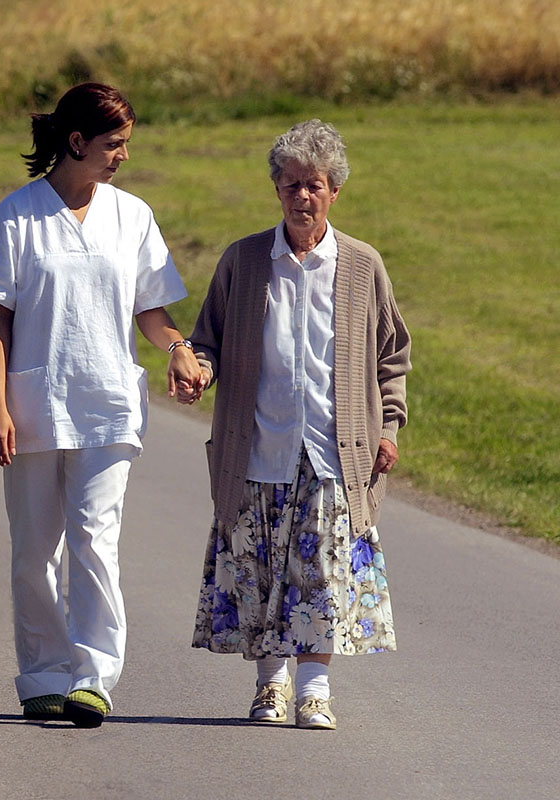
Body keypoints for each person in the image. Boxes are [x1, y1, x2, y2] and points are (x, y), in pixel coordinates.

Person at [0, 83, 201, 728]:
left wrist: (176, 346)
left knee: (95, 540)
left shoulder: (133, 216)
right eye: (114, 144)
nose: (123, 155)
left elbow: (149, 308)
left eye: (126, 144)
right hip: (33, 406)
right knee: (35, 550)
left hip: (108, 405)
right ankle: (43, 674)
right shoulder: (17, 217)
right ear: (76, 142)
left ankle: (92, 679)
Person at [184, 119, 411, 730]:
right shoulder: (245, 261)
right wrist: (197, 370)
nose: (302, 197)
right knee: (260, 570)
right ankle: (270, 686)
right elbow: (207, 341)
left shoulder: (362, 266)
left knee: (320, 573)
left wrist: (388, 429)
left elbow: (391, 357)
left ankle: (314, 689)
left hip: (334, 452)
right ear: (277, 190)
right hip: (259, 445)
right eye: (290, 185)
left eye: (313, 184)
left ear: (334, 190)